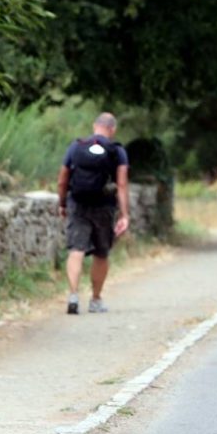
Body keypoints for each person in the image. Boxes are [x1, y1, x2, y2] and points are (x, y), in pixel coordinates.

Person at [57, 113, 130, 315]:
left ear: (94, 125)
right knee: (101, 252)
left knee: (76, 250)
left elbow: (62, 179)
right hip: (104, 206)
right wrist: (124, 214)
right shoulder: (117, 151)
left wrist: (63, 203)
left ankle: (73, 295)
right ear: (112, 129)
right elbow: (122, 184)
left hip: (78, 204)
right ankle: (95, 300)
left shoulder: (76, 147)